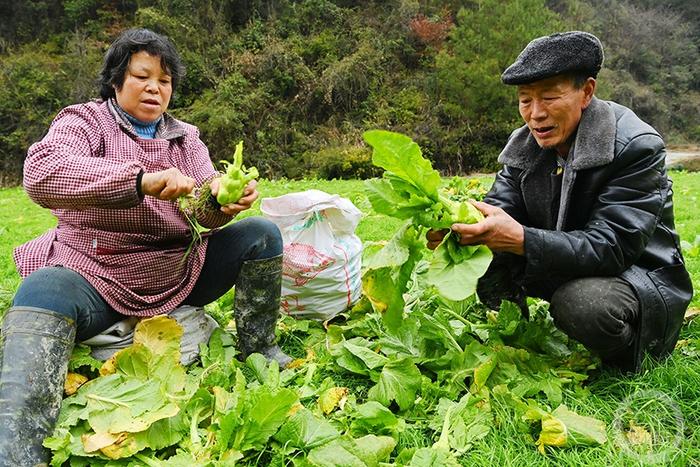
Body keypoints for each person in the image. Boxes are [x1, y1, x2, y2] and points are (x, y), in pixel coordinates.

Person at [0, 28, 291, 464]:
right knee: (43, 289)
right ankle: (18, 447)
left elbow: (202, 212)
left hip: (175, 271)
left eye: (165, 80)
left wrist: (224, 200)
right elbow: (44, 173)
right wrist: (138, 181)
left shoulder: (184, 138)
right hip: (96, 271)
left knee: (261, 233)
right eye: (142, 76)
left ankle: (261, 349)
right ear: (117, 81)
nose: (155, 87)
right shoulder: (84, 122)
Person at [427, 31, 692, 373]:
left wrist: (522, 239)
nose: (535, 114)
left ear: (586, 92)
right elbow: (499, 207)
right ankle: (515, 335)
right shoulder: (524, 145)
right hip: (564, 261)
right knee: (486, 252)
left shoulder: (635, 146)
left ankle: (631, 355)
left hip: (636, 275)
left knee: (583, 306)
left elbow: (612, 247)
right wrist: (459, 229)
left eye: (550, 97)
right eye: (525, 100)